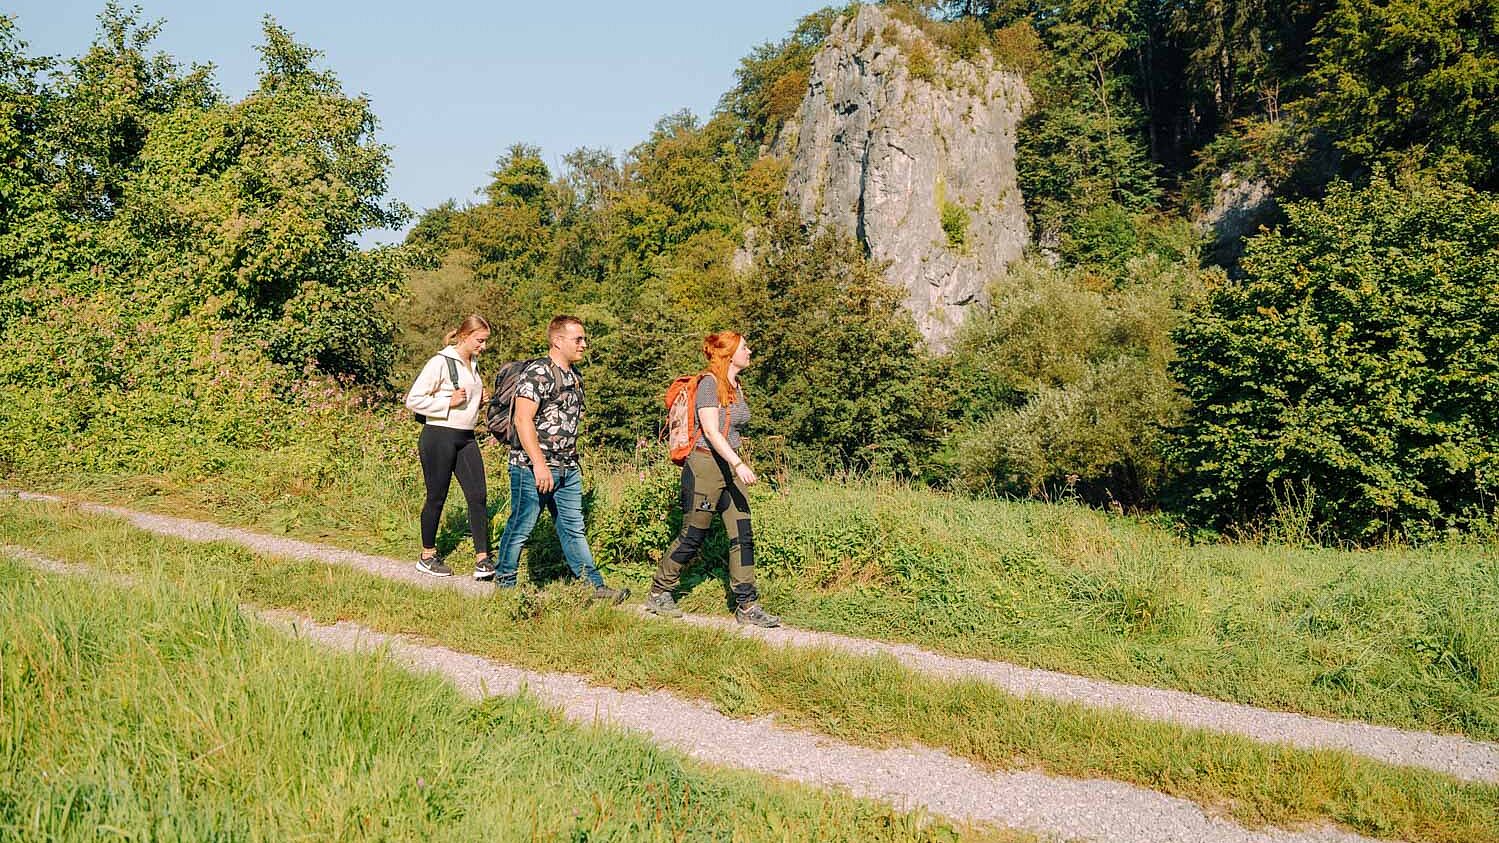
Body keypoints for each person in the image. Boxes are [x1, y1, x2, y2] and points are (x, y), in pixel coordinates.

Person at [486, 315, 630, 603]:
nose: (584, 344)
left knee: (573, 528)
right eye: (578, 339)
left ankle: (593, 587)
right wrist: (540, 464)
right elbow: (522, 420)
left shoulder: (575, 376)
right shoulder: (538, 372)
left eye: (584, 339)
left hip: (567, 467)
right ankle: (505, 585)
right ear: (557, 340)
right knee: (521, 526)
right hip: (531, 467)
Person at [644, 331, 780, 627]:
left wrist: (735, 463)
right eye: (745, 347)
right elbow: (710, 431)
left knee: (742, 533)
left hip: (729, 466)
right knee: (693, 534)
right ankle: (659, 591)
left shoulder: (736, 385)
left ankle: (747, 605)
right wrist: (738, 463)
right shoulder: (708, 383)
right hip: (706, 465)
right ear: (729, 354)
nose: (750, 351)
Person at [404, 314, 492, 577]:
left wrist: (479, 401)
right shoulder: (440, 362)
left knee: (478, 495)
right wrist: (447, 403)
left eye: (485, 341)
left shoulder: (473, 363)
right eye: (479, 341)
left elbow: (464, 403)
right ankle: (427, 556)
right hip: (438, 436)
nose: (483, 346)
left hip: (466, 437)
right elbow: (413, 400)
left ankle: (483, 559)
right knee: (436, 497)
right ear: (464, 336)